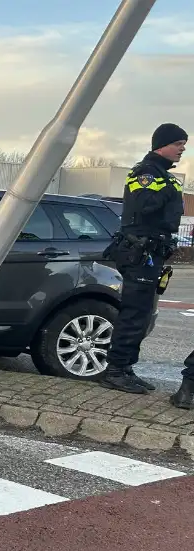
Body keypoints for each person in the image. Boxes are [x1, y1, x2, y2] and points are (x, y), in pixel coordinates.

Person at [99, 123, 187, 396]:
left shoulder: (164, 175)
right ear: (161, 144)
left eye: (184, 144)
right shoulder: (146, 172)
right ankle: (114, 370)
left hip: (153, 254)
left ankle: (126, 368)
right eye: (177, 144)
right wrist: (167, 193)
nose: (182, 149)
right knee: (134, 313)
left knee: (142, 313)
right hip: (139, 253)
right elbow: (145, 205)